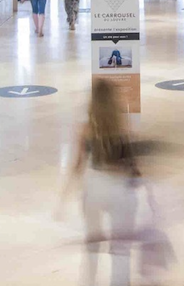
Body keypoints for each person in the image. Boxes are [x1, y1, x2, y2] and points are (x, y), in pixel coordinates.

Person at [64, 79, 142, 286]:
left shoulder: (86, 128)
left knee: (92, 244)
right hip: (119, 190)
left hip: (93, 188)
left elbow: (77, 164)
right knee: (121, 248)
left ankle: (89, 282)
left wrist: (64, 198)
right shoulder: (123, 126)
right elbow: (133, 164)